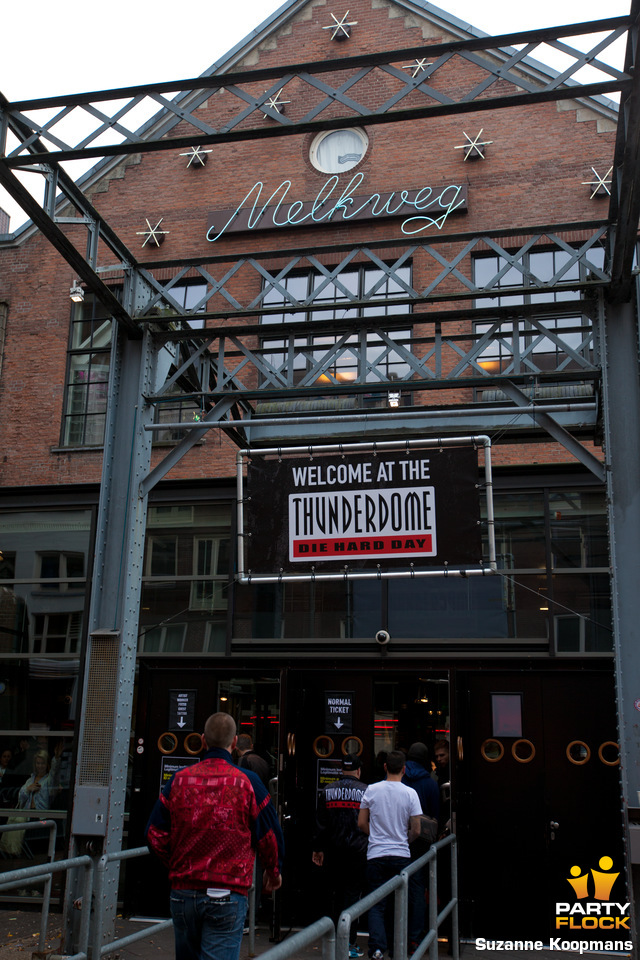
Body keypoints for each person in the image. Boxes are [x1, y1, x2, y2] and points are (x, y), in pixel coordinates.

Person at [146, 712, 284, 960]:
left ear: (202, 740)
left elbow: (154, 835)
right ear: (233, 744)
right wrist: (273, 871)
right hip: (227, 893)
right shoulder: (247, 782)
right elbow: (269, 835)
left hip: (183, 892)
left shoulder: (178, 780)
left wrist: (178, 863)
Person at [357, 750, 422, 960]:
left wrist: (376, 835)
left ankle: (376, 948)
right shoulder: (410, 793)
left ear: (385, 767)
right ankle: (397, 948)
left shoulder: (372, 790)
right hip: (401, 854)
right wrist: (404, 839)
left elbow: (361, 823)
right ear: (404, 769)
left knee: (377, 903)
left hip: (376, 854)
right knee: (399, 904)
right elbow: (417, 829)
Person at [312, 754, 368, 958]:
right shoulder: (366, 791)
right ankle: (350, 943)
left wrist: (318, 848)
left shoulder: (328, 791)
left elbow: (321, 824)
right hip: (358, 851)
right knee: (353, 897)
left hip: (333, 851)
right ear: (359, 771)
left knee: (333, 895)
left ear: (341, 771)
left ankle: (332, 940)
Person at [402, 743, 440, 952]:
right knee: (417, 887)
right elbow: (435, 814)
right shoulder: (430, 783)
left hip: (398, 837)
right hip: (420, 841)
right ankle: (414, 938)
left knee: (394, 884)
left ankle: (393, 934)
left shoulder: (399, 778)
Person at [17, 744, 63, 811]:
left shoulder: (48, 780)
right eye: (38, 763)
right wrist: (28, 789)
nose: (40, 766)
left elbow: (54, 772)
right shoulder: (30, 780)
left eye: (43, 763)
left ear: (47, 764)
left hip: (41, 817)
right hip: (27, 816)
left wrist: (56, 758)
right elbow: (20, 798)